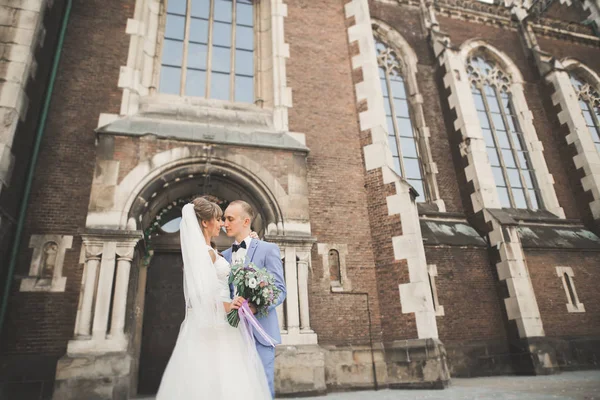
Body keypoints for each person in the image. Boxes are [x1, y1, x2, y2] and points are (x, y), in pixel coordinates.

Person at [156, 198, 271, 399]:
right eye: (218, 219)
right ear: (204, 222)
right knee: (219, 379)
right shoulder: (205, 253)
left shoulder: (212, 252)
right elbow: (201, 297)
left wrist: (251, 239)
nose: (222, 224)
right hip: (216, 325)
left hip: (217, 322)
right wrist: (231, 305)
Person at [222, 200, 287, 399]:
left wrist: (256, 307)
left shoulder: (268, 249)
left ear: (246, 221)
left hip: (261, 331)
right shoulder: (223, 256)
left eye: (230, 219)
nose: (225, 223)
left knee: (263, 386)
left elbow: (280, 289)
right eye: (224, 219)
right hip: (233, 333)